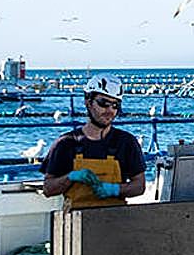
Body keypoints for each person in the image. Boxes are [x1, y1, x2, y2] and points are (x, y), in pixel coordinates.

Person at [40, 74, 146, 210]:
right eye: (103, 103)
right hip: (76, 220)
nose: (110, 110)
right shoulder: (65, 143)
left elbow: (139, 186)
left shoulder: (126, 142)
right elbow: (48, 188)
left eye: (115, 105)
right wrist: (71, 177)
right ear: (88, 102)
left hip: (116, 220)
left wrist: (114, 190)